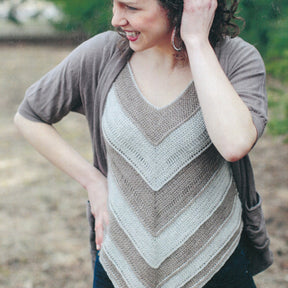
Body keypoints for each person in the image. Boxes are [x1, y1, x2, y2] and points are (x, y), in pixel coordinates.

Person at [14, 0, 272, 287]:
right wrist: (94, 182)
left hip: (215, 265)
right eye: (115, 5)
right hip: (120, 266)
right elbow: (29, 116)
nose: (116, 19)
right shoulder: (103, 54)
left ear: (179, 6)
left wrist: (196, 42)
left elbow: (234, 144)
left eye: (131, 8)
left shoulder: (236, 59)